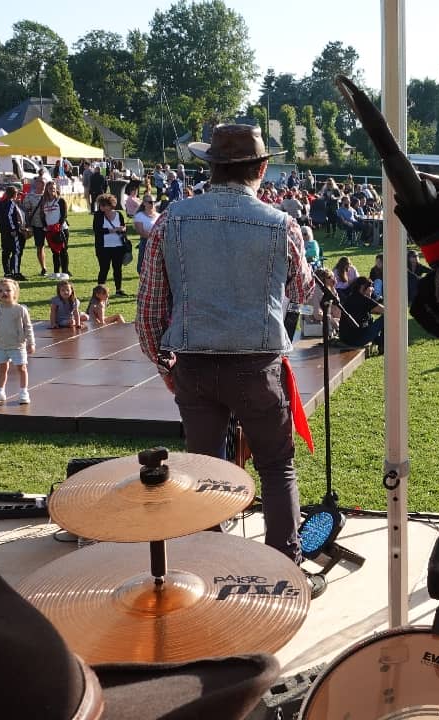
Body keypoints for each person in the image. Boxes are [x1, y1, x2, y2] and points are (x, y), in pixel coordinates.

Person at [136, 124, 319, 593]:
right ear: (261, 169)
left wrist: (166, 368)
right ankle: (285, 571)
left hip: (194, 368)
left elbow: (149, 311)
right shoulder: (282, 224)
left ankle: (208, 572)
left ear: (210, 167)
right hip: (258, 369)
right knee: (277, 469)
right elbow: (302, 291)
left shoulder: (172, 220)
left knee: (204, 473)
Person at [0, 278, 34, 406]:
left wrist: (31, 343)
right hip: (1, 346)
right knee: (1, 369)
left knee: (21, 368)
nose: (4, 293)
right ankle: (0, 391)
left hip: (18, 346)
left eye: (8, 290)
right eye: (0, 291)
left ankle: (23, 391)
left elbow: (28, 327)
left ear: (15, 292)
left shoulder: (20, 310)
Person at [92, 194, 130, 296]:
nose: (102, 207)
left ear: (110, 205)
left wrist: (123, 229)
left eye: (104, 205)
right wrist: (113, 230)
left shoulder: (119, 214)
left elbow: (124, 227)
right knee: (104, 269)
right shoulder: (98, 215)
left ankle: (118, 290)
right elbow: (97, 230)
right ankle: (99, 291)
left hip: (118, 246)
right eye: (100, 205)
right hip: (103, 248)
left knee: (117, 269)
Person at [336, 276, 384, 351]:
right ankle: (382, 344)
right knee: (386, 318)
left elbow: (373, 310)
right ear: (362, 287)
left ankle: (380, 342)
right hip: (357, 339)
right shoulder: (363, 299)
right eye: (370, 286)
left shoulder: (351, 297)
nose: (373, 289)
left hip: (345, 338)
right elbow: (385, 311)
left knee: (370, 319)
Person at [36, 181, 70, 278]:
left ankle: (65, 272)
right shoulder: (44, 202)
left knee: (63, 251)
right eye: (50, 188)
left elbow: (64, 215)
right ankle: (56, 272)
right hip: (50, 231)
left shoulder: (60, 201)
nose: (52, 190)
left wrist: (58, 225)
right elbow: (42, 215)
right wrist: (45, 226)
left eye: (54, 188)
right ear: (47, 189)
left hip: (61, 230)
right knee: (54, 252)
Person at [0, 186, 27, 281]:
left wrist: (1, 229)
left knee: (5, 252)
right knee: (16, 252)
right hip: (11, 232)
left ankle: (7, 272)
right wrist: (13, 229)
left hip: (3, 232)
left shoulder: (0, 204)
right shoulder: (11, 203)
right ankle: (16, 273)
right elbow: (9, 216)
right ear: (14, 194)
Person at [133, 194, 159, 276]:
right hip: (145, 242)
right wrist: (154, 236)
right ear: (144, 203)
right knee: (142, 263)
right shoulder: (139, 216)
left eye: (154, 202)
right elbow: (141, 232)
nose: (153, 204)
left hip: (158, 243)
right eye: (150, 202)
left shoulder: (159, 215)